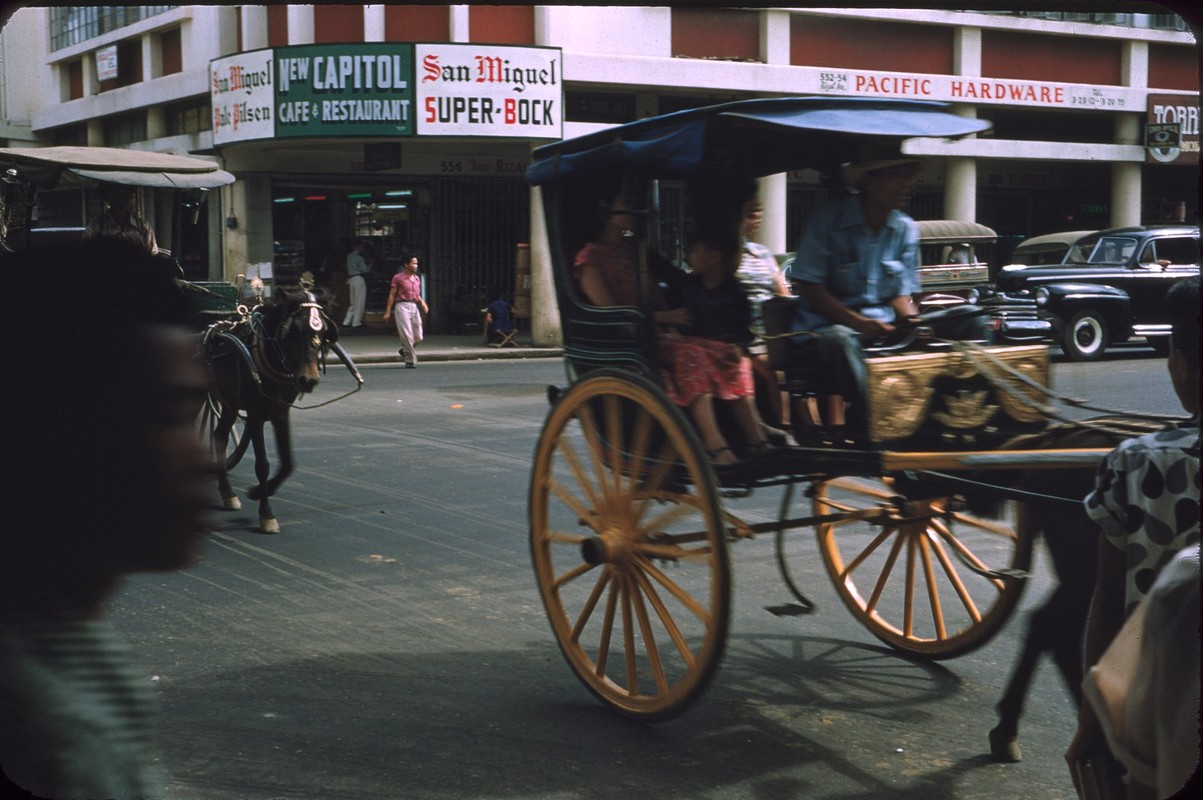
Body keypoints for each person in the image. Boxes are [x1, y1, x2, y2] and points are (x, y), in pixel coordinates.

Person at [0, 239, 214, 800]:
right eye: (170, 416)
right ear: (63, 431)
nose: (209, 458)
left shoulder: (78, 649)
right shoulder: (49, 739)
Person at [1065, 275, 1199, 800]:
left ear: (1180, 365)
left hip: (1162, 709)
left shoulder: (1138, 462)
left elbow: (1108, 599)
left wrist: (1089, 723)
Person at [788, 140, 988, 443]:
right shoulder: (828, 220)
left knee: (971, 318)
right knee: (842, 340)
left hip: (882, 330)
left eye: (910, 175)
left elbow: (899, 295)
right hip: (826, 334)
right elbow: (810, 287)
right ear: (869, 180)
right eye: (898, 175)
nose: (908, 184)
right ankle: (876, 419)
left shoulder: (905, 228)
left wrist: (916, 324)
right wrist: (857, 323)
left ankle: (968, 412)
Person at [573, 176, 771, 465]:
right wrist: (663, 319)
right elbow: (612, 314)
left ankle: (755, 438)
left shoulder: (634, 253)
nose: (634, 210)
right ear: (607, 208)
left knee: (730, 353)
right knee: (692, 355)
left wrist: (675, 324)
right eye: (626, 203)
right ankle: (714, 445)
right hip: (628, 342)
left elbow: (658, 297)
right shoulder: (589, 258)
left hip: (659, 335)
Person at [735, 184, 791, 429]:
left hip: (775, 330)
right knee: (776, 371)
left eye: (759, 211)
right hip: (747, 333)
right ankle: (785, 428)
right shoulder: (727, 253)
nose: (757, 216)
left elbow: (782, 291)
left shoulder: (763, 252)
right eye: (751, 211)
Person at [83, 182, 160, 255]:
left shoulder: (143, 227)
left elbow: (152, 255)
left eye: (125, 195)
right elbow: (86, 256)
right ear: (108, 198)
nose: (121, 200)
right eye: (116, 195)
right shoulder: (96, 228)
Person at [383, 253, 428, 368]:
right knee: (407, 335)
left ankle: (405, 351)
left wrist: (422, 303)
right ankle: (410, 360)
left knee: (418, 336)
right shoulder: (398, 278)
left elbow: (417, 295)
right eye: (413, 263)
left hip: (414, 306)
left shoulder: (417, 278)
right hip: (402, 306)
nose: (416, 266)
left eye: (416, 263)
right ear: (406, 264)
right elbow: (392, 295)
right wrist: (388, 311)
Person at [341, 239, 371, 329]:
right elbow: (365, 270)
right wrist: (371, 264)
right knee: (359, 301)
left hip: (351, 279)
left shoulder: (349, 256)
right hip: (358, 278)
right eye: (361, 247)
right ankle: (356, 322)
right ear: (358, 247)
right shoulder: (360, 258)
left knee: (353, 302)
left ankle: (346, 321)